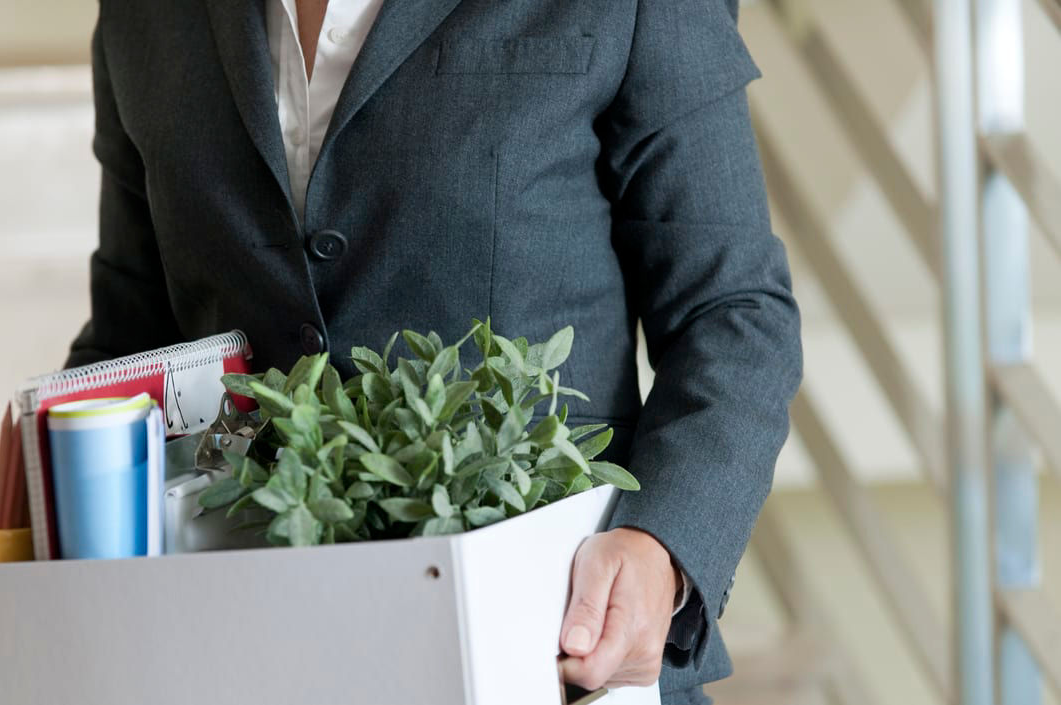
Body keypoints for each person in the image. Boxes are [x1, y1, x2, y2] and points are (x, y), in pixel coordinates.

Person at [67, 1, 802, 702]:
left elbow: (732, 311)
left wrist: (660, 547)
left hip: (546, 656)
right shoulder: (144, 13)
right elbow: (132, 335)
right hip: (241, 650)